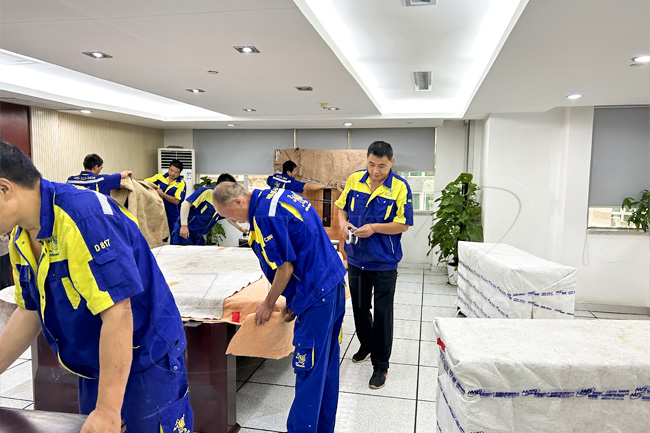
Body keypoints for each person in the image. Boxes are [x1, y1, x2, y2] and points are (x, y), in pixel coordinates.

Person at [0, 141, 192, 433]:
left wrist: (107, 409)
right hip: (98, 360)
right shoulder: (21, 236)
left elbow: (118, 313)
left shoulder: (84, 218)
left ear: (4, 189)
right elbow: (29, 310)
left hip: (145, 358)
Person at [213, 182, 346, 433]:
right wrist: (296, 301)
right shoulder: (278, 195)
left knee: (308, 370)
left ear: (239, 202)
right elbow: (304, 246)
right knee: (325, 368)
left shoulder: (266, 215)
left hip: (317, 295)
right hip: (332, 284)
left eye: (231, 215)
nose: (234, 221)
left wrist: (268, 303)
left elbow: (285, 268)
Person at [335, 140, 413, 390]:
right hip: (356, 259)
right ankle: (366, 345)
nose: (375, 171)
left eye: (381, 166)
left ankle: (381, 366)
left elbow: (403, 224)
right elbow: (341, 208)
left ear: (391, 162)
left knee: (382, 315)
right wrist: (343, 224)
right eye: (371, 164)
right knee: (359, 308)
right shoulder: (355, 179)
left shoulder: (400, 187)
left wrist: (375, 228)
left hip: (384, 262)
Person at [171, 173, 249, 245]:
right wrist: (184, 226)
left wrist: (241, 228)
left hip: (198, 235)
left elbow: (228, 217)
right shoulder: (206, 192)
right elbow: (185, 204)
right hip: (185, 232)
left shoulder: (223, 202)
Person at [145, 160, 187, 237]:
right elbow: (145, 182)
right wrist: (131, 179)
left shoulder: (181, 183)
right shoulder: (160, 177)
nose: (173, 173)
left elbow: (176, 200)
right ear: (169, 168)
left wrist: (162, 194)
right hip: (159, 212)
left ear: (180, 173)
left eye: (176, 172)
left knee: (174, 236)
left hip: (173, 215)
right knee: (159, 236)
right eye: (171, 170)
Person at [66, 153, 132, 196]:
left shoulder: (71, 180)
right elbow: (122, 174)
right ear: (95, 167)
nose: (100, 171)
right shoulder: (102, 180)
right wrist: (129, 172)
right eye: (100, 168)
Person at [267, 160, 335, 193]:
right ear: (288, 172)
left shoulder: (274, 176)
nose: (296, 173)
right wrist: (323, 186)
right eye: (294, 171)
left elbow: (268, 181)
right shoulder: (290, 182)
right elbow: (307, 186)